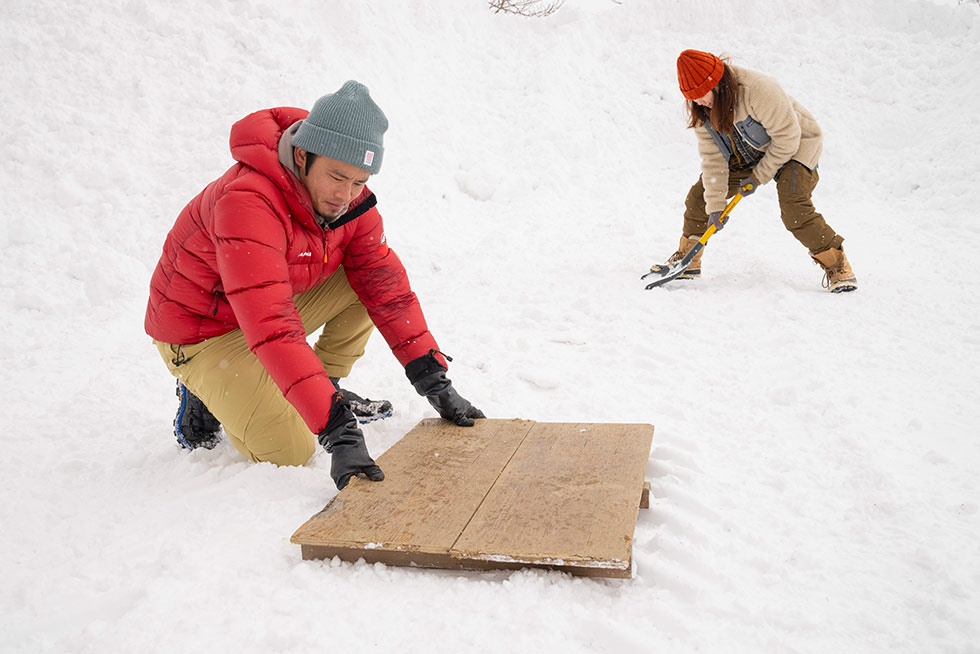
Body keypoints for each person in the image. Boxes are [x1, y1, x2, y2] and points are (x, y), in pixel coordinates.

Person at [144, 81, 485, 489]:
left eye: (359, 182)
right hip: (204, 333)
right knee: (291, 451)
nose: (346, 196)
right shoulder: (247, 201)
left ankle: (325, 386)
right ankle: (200, 392)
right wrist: (337, 429)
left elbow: (387, 289)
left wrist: (435, 381)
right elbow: (271, 324)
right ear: (302, 156)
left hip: (265, 307)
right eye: (337, 177)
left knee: (369, 283)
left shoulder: (351, 201)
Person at [655, 49, 857, 293]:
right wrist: (716, 206)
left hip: (795, 146)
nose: (698, 102)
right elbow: (712, 159)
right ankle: (688, 261)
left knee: (794, 206)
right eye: (691, 97)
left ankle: (837, 264)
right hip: (748, 152)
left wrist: (758, 177)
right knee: (700, 197)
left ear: (716, 84)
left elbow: (787, 138)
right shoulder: (701, 110)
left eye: (700, 95)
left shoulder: (758, 89)